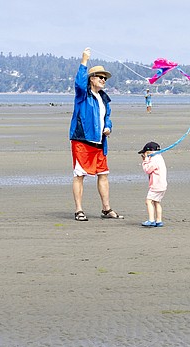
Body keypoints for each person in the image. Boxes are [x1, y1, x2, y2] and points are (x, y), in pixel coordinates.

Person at [69, 47, 124, 221]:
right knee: (80, 175)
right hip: (82, 140)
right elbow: (78, 82)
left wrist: (108, 127)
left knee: (103, 174)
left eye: (105, 78)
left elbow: (107, 117)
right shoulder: (82, 94)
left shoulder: (104, 98)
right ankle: (79, 210)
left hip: (100, 142)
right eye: (100, 77)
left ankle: (106, 209)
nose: (103, 80)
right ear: (92, 79)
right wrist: (84, 60)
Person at [139, 141, 167, 227]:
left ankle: (151, 220)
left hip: (156, 185)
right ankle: (159, 220)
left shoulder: (154, 159)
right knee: (156, 202)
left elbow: (147, 169)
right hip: (162, 185)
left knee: (149, 201)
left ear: (149, 152)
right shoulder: (160, 158)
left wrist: (145, 160)